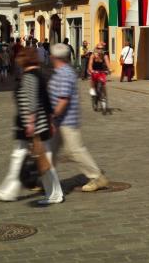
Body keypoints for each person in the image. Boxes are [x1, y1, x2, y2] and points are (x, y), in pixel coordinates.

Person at [0, 47, 63, 205]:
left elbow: (33, 102)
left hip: (33, 126)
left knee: (42, 162)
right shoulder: (39, 75)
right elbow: (47, 101)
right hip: (37, 124)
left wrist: (30, 123)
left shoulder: (30, 76)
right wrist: (49, 120)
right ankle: (8, 191)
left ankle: (55, 194)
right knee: (20, 158)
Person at [48, 43, 109, 191]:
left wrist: (51, 115)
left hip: (66, 120)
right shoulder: (62, 71)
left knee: (75, 150)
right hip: (60, 120)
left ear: (55, 58)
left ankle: (96, 177)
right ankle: (44, 179)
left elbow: (63, 99)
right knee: (50, 150)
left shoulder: (64, 73)